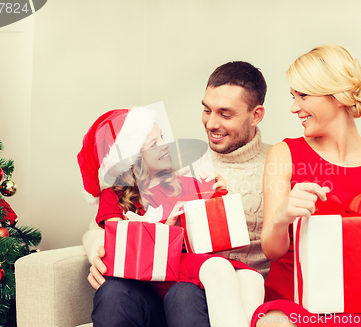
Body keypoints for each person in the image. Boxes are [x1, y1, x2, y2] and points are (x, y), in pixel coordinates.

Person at [83, 61, 361, 327]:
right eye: (206, 109)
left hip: (224, 290)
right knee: (114, 291)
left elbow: (350, 217)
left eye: (225, 114)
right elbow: (120, 206)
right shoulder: (178, 162)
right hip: (168, 277)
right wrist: (98, 246)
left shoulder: (285, 160)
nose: (211, 123)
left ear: (256, 115)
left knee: (186, 295)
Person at [253, 44, 361, 327]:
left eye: (302, 95)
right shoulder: (284, 154)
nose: (294, 107)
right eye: (293, 96)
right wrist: (282, 216)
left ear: (338, 97)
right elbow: (272, 251)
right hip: (295, 302)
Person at [77, 105, 264, 327]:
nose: (165, 145)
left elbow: (214, 239)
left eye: (162, 137)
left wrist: (218, 196)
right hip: (146, 291)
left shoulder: (188, 185)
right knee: (114, 289)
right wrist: (163, 229)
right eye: (154, 143)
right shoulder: (113, 197)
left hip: (187, 287)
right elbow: (120, 248)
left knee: (226, 283)